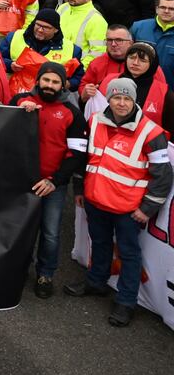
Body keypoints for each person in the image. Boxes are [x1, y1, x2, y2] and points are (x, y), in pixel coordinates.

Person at [67, 77, 174, 326]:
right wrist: (80, 189)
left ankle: (126, 302)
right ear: (109, 98)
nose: (121, 103)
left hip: (128, 209)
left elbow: (163, 176)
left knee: (129, 254)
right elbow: (86, 159)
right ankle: (96, 282)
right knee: (100, 243)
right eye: (116, 97)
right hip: (95, 201)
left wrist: (147, 209)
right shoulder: (94, 121)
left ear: (134, 100)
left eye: (127, 98)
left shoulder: (151, 132)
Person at [11, 63, 87, 299]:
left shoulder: (71, 112)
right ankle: (17, 270)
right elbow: (1, 129)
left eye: (55, 82)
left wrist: (55, 180)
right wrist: (18, 109)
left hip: (53, 185)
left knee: (51, 232)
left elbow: (77, 154)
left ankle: (45, 275)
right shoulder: (20, 101)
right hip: (21, 181)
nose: (50, 86)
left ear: (63, 85)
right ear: (38, 80)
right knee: (19, 230)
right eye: (46, 80)